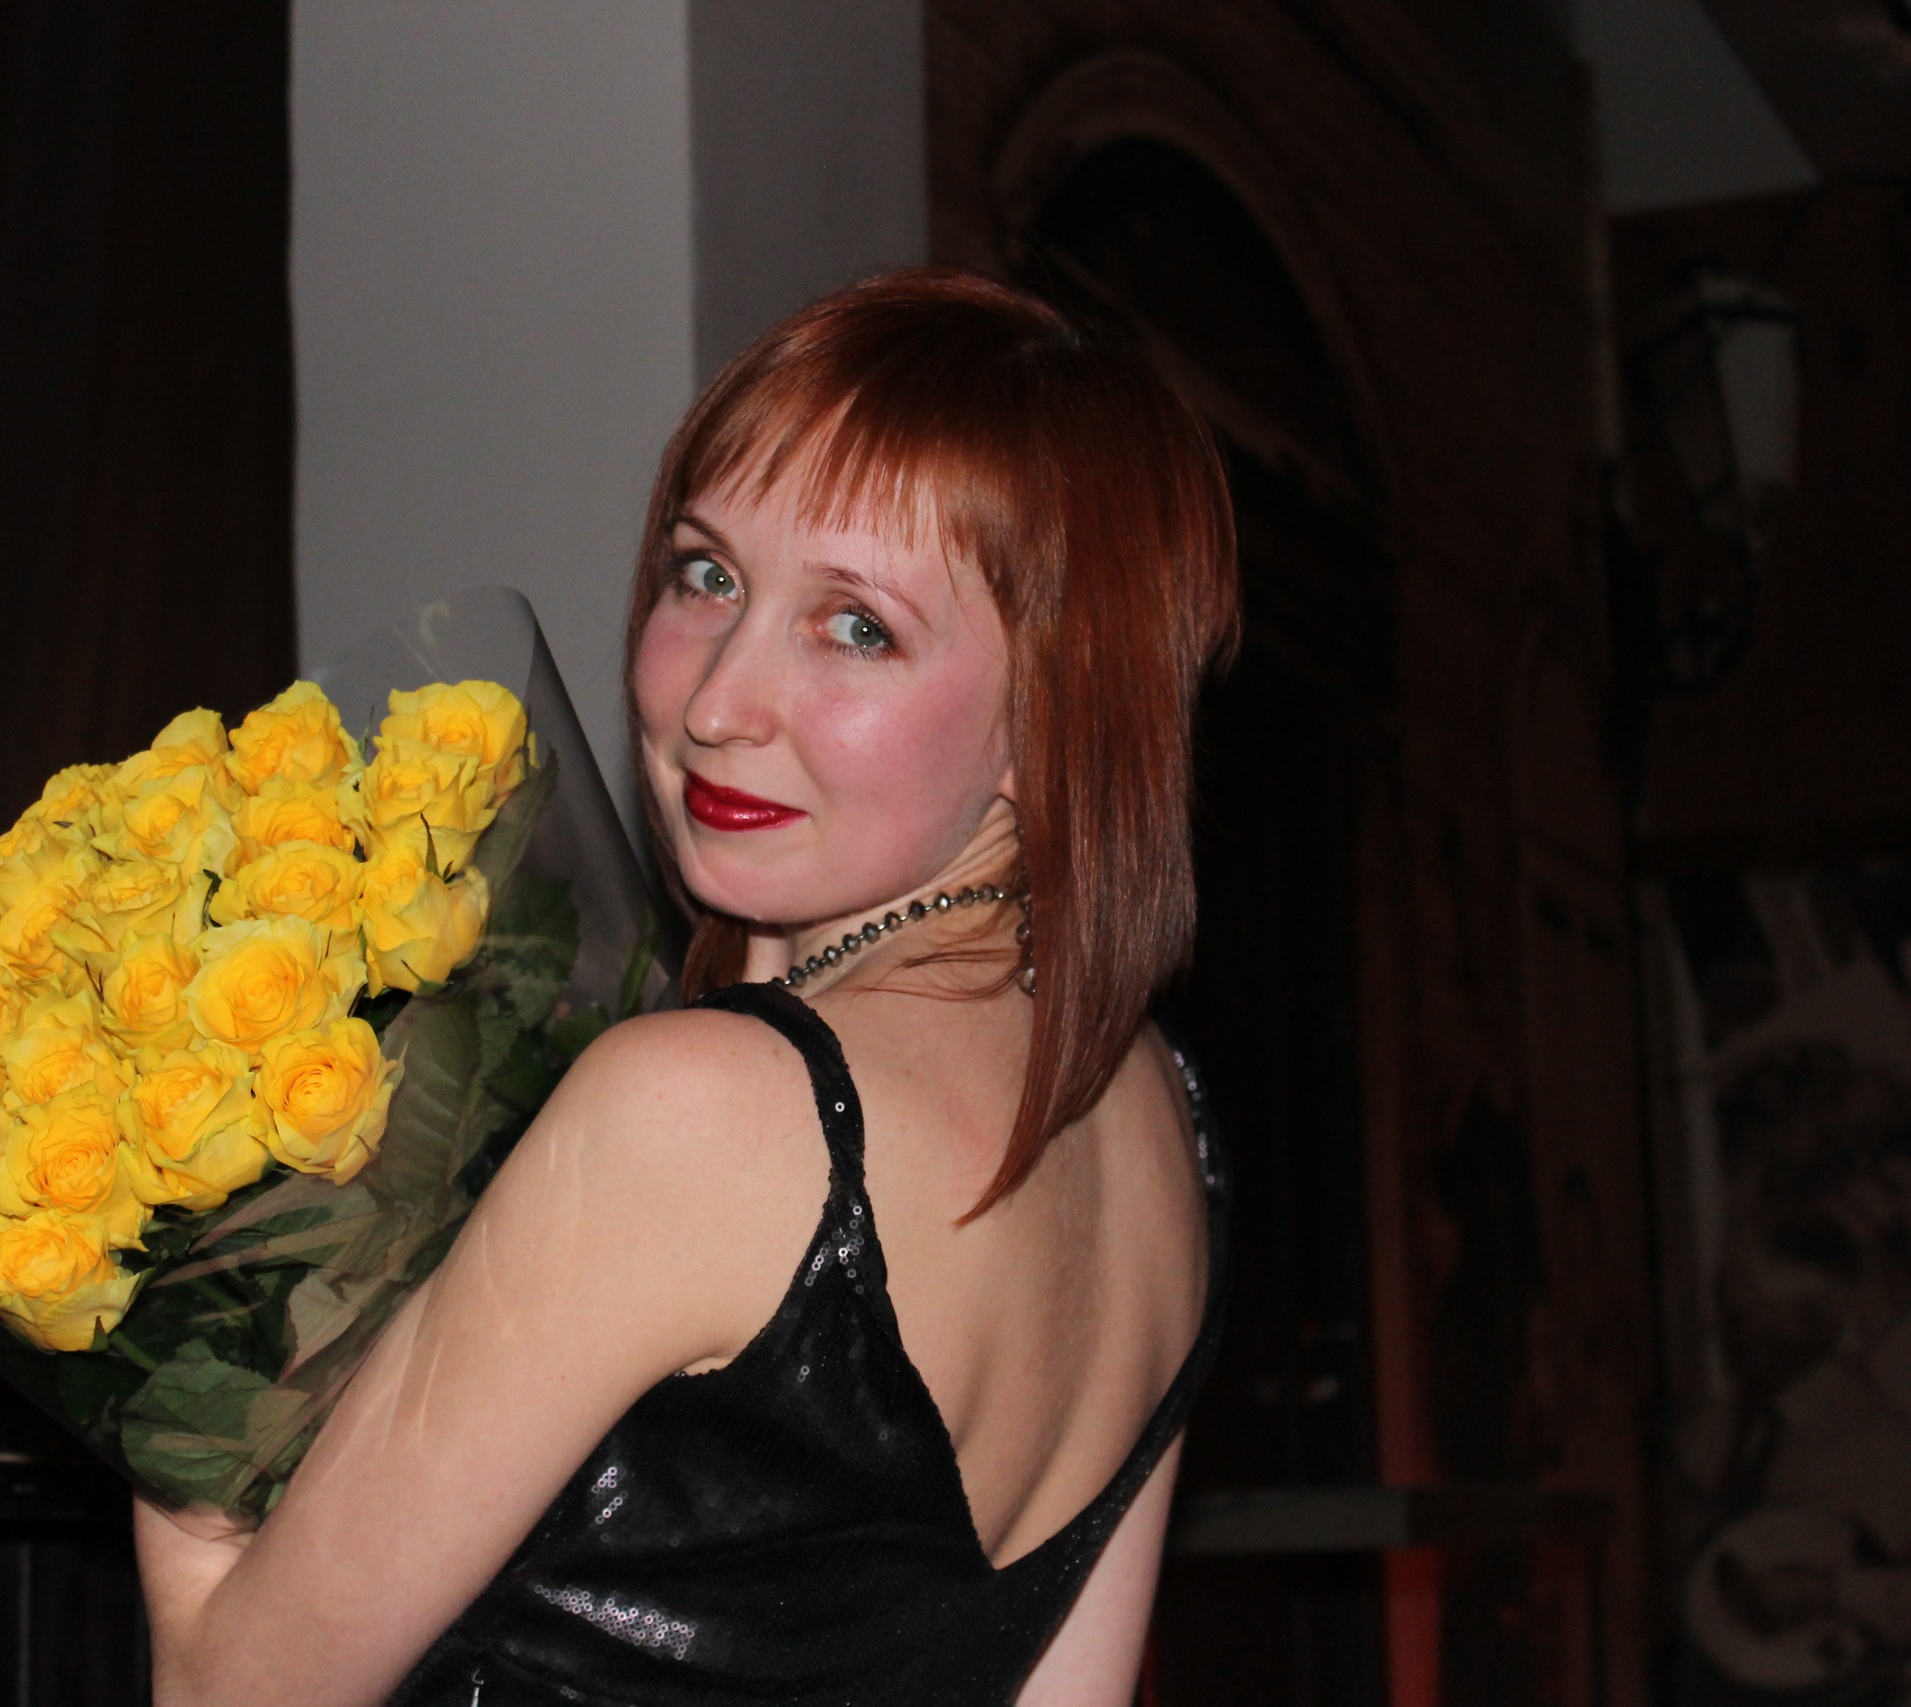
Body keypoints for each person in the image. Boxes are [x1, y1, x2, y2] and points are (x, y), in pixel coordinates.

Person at [134, 268, 1240, 1705]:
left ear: (1057, 714)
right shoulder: (1156, 1111)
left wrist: (187, 1323)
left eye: (858, 627)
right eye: (707, 575)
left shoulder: (702, 1113)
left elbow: (232, 1691)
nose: (716, 701)